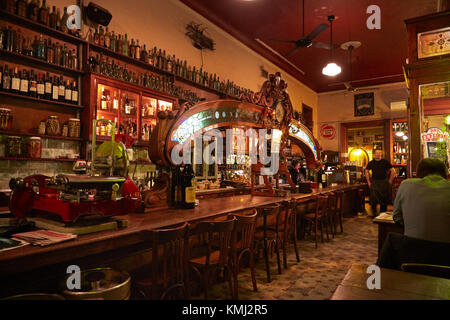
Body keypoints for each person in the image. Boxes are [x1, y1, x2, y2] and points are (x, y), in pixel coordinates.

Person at [393, 158, 450, 243]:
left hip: (413, 248)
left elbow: (397, 216)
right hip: (445, 251)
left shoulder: (406, 185)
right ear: (446, 174)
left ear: (418, 173)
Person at [364, 149, 396, 216]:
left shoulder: (385, 162)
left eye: (379, 153)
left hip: (384, 183)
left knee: (384, 201)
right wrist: (369, 182)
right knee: (373, 200)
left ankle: (383, 215)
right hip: (375, 183)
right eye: (377, 153)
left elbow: (393, 171)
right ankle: (374, 215)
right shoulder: (371, 163)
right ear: (374, 155)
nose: (378, 154)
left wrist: (390, 181)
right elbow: (366, 171)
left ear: (381, 154)